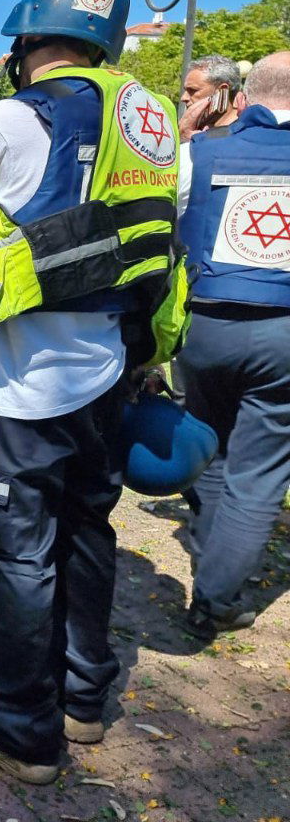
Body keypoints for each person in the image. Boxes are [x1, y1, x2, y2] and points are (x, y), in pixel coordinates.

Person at [0, 0, 187, 784]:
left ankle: (16, 733)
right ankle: (82, 702)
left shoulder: (9, 117)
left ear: (28, 41)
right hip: (112, 358)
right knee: (87, 529)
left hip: (25, 374)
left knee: (16, 551)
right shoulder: (152, 116)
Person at [175, 50, 290, 641]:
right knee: (260, 472)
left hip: (205, 323)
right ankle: (215, 599)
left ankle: (208, 561)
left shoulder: (200, 152)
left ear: (246, 91)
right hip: (284, 332)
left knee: (210, 445)